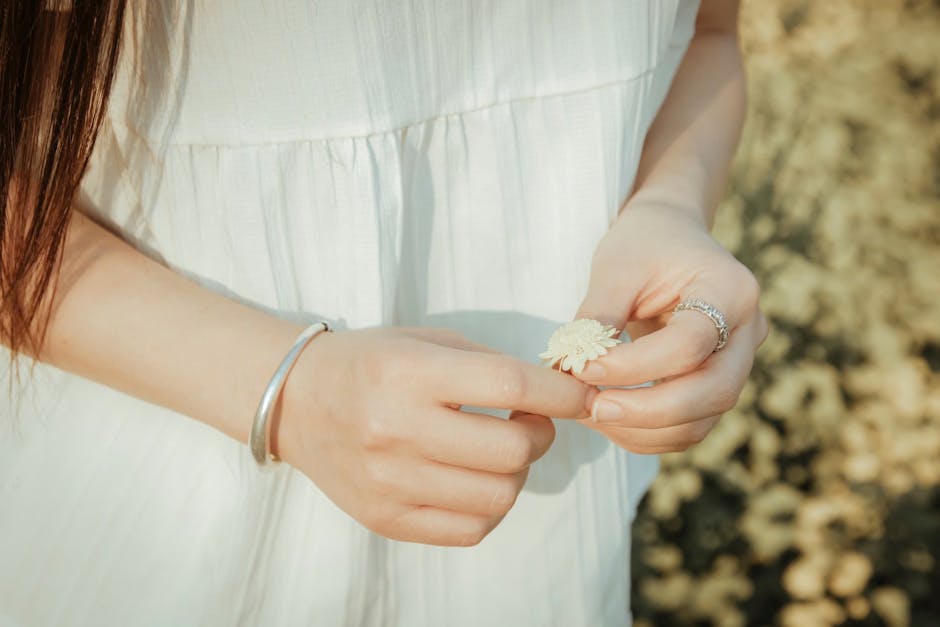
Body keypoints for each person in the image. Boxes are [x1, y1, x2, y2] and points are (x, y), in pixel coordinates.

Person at [0, 0, 767, 625]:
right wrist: (290, 390)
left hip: (536, 522)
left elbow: (708, 34)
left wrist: (671, 202)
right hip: (163, 492)